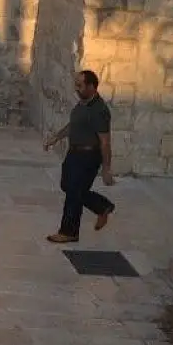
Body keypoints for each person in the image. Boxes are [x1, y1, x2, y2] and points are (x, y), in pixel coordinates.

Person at [43, 69, 115, 244]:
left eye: (80, 85)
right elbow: (73, 125)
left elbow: (105, 142)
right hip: (74, 153)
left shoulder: (99, 110)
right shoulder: (82, 104)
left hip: (88, 156)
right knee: (67, 186)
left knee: (74, 193)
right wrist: (56, 138)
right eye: (76, 84)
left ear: (91, 86)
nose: (76, 88)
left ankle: (68, 232)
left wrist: (106, 169)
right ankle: (102, 206)